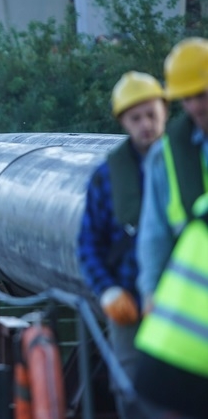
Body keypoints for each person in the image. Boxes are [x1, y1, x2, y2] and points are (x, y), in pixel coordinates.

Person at [76, 71, 167, 419]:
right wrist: (107, 290)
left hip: (181, 303)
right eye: (136, 118)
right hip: (128, 301)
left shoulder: (187, 164)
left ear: (164, 111)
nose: (145, 124)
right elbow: (88, 243)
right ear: (123, 121)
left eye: (151, 114)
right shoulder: (107, 176)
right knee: (130, 386)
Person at [134, 37, 208, 417]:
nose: (196, 105)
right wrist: (149, 292)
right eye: (188, 97)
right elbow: (154, 234)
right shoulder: (169, 156)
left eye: (203, 94)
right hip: (191, 320)